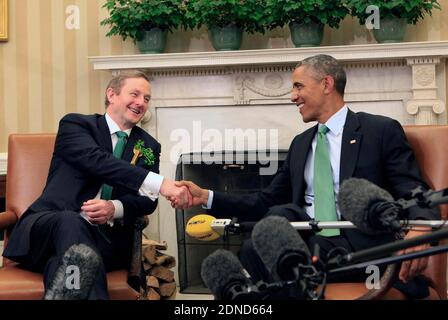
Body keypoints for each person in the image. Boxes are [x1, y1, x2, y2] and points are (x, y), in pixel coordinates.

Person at [173, 55, 440, 299]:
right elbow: (265, 201)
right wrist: (206, 196)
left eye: (299, 86)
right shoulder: (301, 144)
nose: (292, 96)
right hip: (310, 242)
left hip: (359, 247)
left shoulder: (379, 131)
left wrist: (421, 227)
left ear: (326, 84)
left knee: (276, 248)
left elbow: (414, 189)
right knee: (266, 234)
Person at [3, 70, 192, 299]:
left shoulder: (148, 145)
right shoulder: (76, 125)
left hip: (104, 242)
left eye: (147, 98)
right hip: (48, 229)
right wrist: (161, 184)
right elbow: (97, 161)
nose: (141, 103)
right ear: (111, 95)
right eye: (135, 94)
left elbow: (147, 201)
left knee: (65, 268)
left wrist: (115, 207)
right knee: (70, 222)